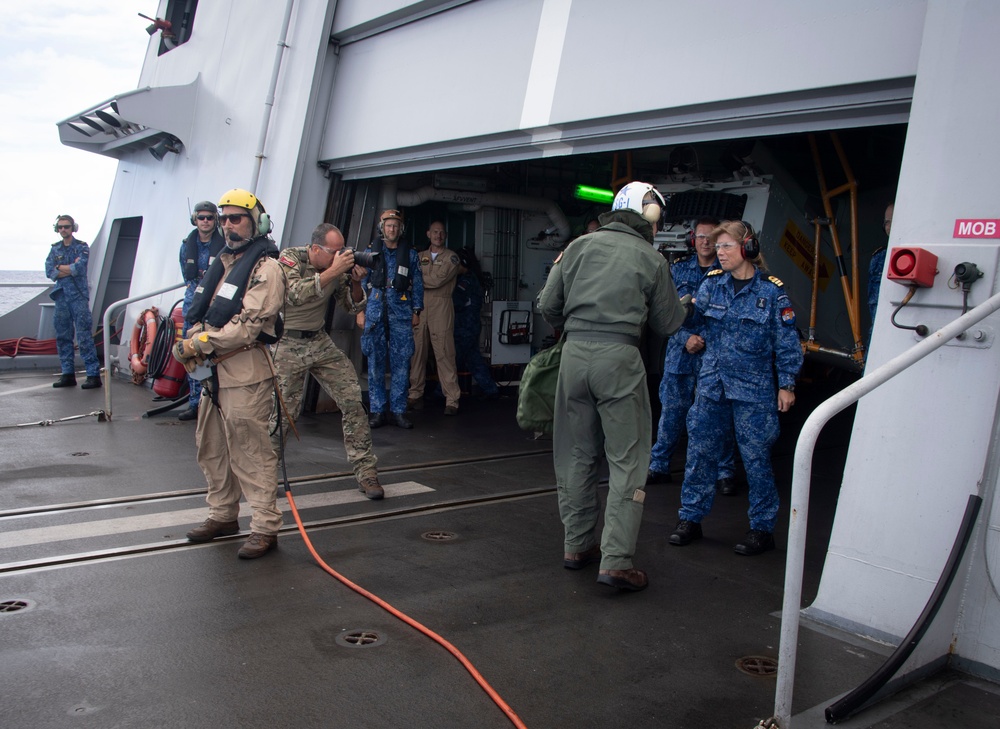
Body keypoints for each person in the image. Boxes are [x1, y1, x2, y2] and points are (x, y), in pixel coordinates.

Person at [538, 181, 690, 592]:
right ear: (647, 217)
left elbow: (548, 306)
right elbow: (668, 323)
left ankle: (576, 546)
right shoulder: (651, 258)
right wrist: (686, 304)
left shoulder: (577, 247)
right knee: (627, 460)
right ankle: (617, 561)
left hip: (574, 356)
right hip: (619, 359)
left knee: (574, 453)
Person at [668, 220, 803, 556]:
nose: (719, 252)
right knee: (700, 454)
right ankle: (691, 518)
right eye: (718, 246)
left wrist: (786, 384)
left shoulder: (771, 292)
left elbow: (786, 341)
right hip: (712, 387)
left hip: (754, 391)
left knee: (756, 460)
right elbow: (681, 323)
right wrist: (687, 339)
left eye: (727, 246)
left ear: (749, 248)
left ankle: (761, 528)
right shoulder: (712, 285)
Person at [174, 188, 286, 559]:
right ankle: (223, 514)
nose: (226, 224)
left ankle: (265, 527)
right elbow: (207, 315)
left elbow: (246, 328)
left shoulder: (266, 268)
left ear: (256, 222)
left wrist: (199, 343)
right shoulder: (223, 264)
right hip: (213, 376)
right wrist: (192, 337)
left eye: (234, 217)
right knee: (212, 448)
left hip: (245, 373)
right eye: (222, 218)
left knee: (251, 451)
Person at [271, 223, 384, 500]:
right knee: (283, 414)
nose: (340, 257)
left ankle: (366, 472)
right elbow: (294, 294)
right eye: (334, 252)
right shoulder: (291, 258)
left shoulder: (336, 267)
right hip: (287, 343)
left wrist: (356, 281)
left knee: (352, 400)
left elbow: (352, 306)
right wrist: (335, 270)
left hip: (318, 341)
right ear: (315, 249)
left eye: (342, 252)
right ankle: (264, 474)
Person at [647, 217, 738, 493]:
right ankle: (659, 465)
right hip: (680, 354)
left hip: (713, 356)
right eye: (700, 237)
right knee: (671, 413)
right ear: (692, 240)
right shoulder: (677, 271)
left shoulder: (729, 273)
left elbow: (734, 318)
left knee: (716, 415)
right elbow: (663, 313)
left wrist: (703, 339)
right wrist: (685, 338)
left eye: (712, 237)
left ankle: (725, 472)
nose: (706, 242)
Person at [360, 209, 424, 429]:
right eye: (388, 225)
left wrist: (417, 310)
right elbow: (361, 283)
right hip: (375, 312)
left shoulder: (411, 254)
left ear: (401, 228)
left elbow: (417, 282)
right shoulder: (370, 253)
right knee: (375, 362)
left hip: (401, 313)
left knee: (401, 362)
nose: (392, 229)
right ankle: (377, 411)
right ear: (382, 228)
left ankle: (398, 410)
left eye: (396, 225)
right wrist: (360, 311)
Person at [177, 201, 226, 421]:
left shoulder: (224, 245)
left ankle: (216, 402)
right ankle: (195, 403)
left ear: (215, 220)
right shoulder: (187, 245)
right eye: (201, 217)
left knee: (216, 352)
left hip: (215, 306)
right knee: (192, 352)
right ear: (194, 220)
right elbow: (186, 275)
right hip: (192, 306)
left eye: (209, 217)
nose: (205, 221)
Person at [407, 220, 462, 415]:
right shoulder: (419, 256)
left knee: (444, 353)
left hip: (441, 306)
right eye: (435, 232)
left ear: (445, 236)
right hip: (420, 308)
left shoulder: (451, 258)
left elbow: (438, 280)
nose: (438, 235)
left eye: (442, 232)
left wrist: (415, 279)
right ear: (428, 234)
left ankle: (452, 399)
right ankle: (415, 394)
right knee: (417, 352)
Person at [45, 215, 102, 389]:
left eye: (67, 227)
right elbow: (49, 271)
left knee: (84, 335)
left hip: (78, 297)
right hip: (61, 297)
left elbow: (79, 268)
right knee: (63, 336)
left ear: (73, 228)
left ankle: (93, 375)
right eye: (60, 227)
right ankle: (67, 374)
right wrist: (66, 268)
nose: (63, 230)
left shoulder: (82, 247)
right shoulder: (55, 249)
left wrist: (60, 268)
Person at [452, 247, 499, 398]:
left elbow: (456, 302)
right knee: (474, 360)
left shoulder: (465, 281)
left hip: (464, 328)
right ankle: (490, 389)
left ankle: (442, 392)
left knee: (452, 361)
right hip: (470, 327)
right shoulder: (472, 279)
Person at [867, 202, 893, 350]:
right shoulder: (879, 257)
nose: (889, 226)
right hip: (879, 329)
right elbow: (873, 304)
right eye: (887, 222)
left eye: (894, 221)